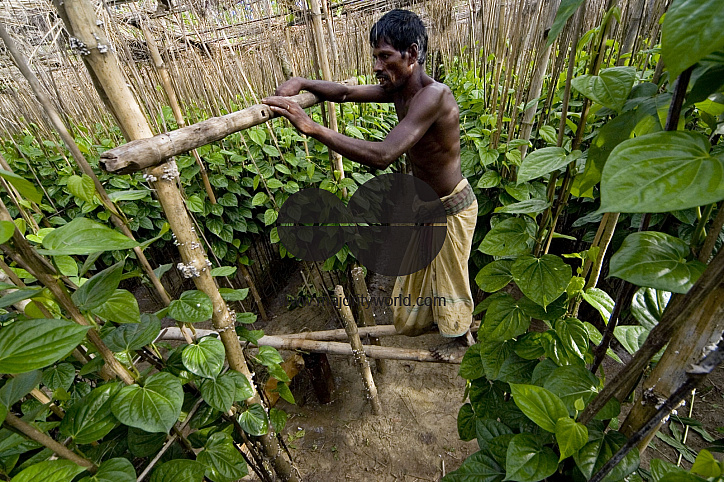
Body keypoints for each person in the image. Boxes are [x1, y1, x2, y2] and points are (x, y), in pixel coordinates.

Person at [263, 9, 477, 358]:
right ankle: (443, 325)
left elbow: (383, 155)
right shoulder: (398, 90)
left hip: (451, 207)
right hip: (425, 207)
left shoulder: (433, 96)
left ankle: (462, 341)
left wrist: (313, 127)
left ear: (411, 53)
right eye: (375, 57)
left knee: (451, 281)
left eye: (385, 57)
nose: (377, 67)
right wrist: (301, 81)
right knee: (419, 285)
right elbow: (345, 93)